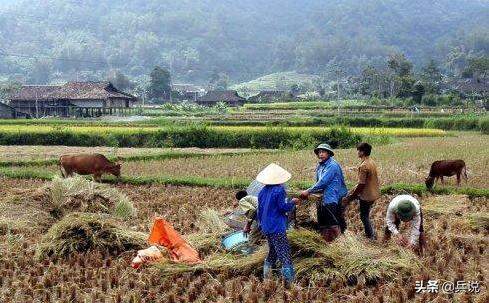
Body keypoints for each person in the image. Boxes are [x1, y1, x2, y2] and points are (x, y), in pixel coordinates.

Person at [256, 163, 300, 287]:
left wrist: (262, 225)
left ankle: (267, 277)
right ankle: (290, 282)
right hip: (276, 226)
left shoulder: (262, 191)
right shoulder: (279, 190)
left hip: (266, 226)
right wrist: (293, 202)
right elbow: (282, 208)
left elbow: (259, 210)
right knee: (284, 251)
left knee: (273, 251)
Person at [300, 143, 348, 242]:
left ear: (329, 153)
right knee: (323, 224)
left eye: (323, 152)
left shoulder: (332, 165)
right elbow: (318, 182)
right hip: (321, 199)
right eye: (319, 152)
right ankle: (326, 243)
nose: (321, 154)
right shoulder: (320, 166)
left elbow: (323, 182)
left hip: (331, 198)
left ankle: (342, 243)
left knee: (332, 223)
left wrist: (308, 191)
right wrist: (312, 192)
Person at [342, 142, 380, 240]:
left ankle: (370, 235)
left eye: (359, 150)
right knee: (366, 214)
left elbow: (361, 184)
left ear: (362, 152)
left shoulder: (363, 166)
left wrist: (351, 197)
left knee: (364, 216)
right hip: (374, 193)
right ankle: (371, 233)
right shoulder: (372, 162)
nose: (357, 152)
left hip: (366, 195)